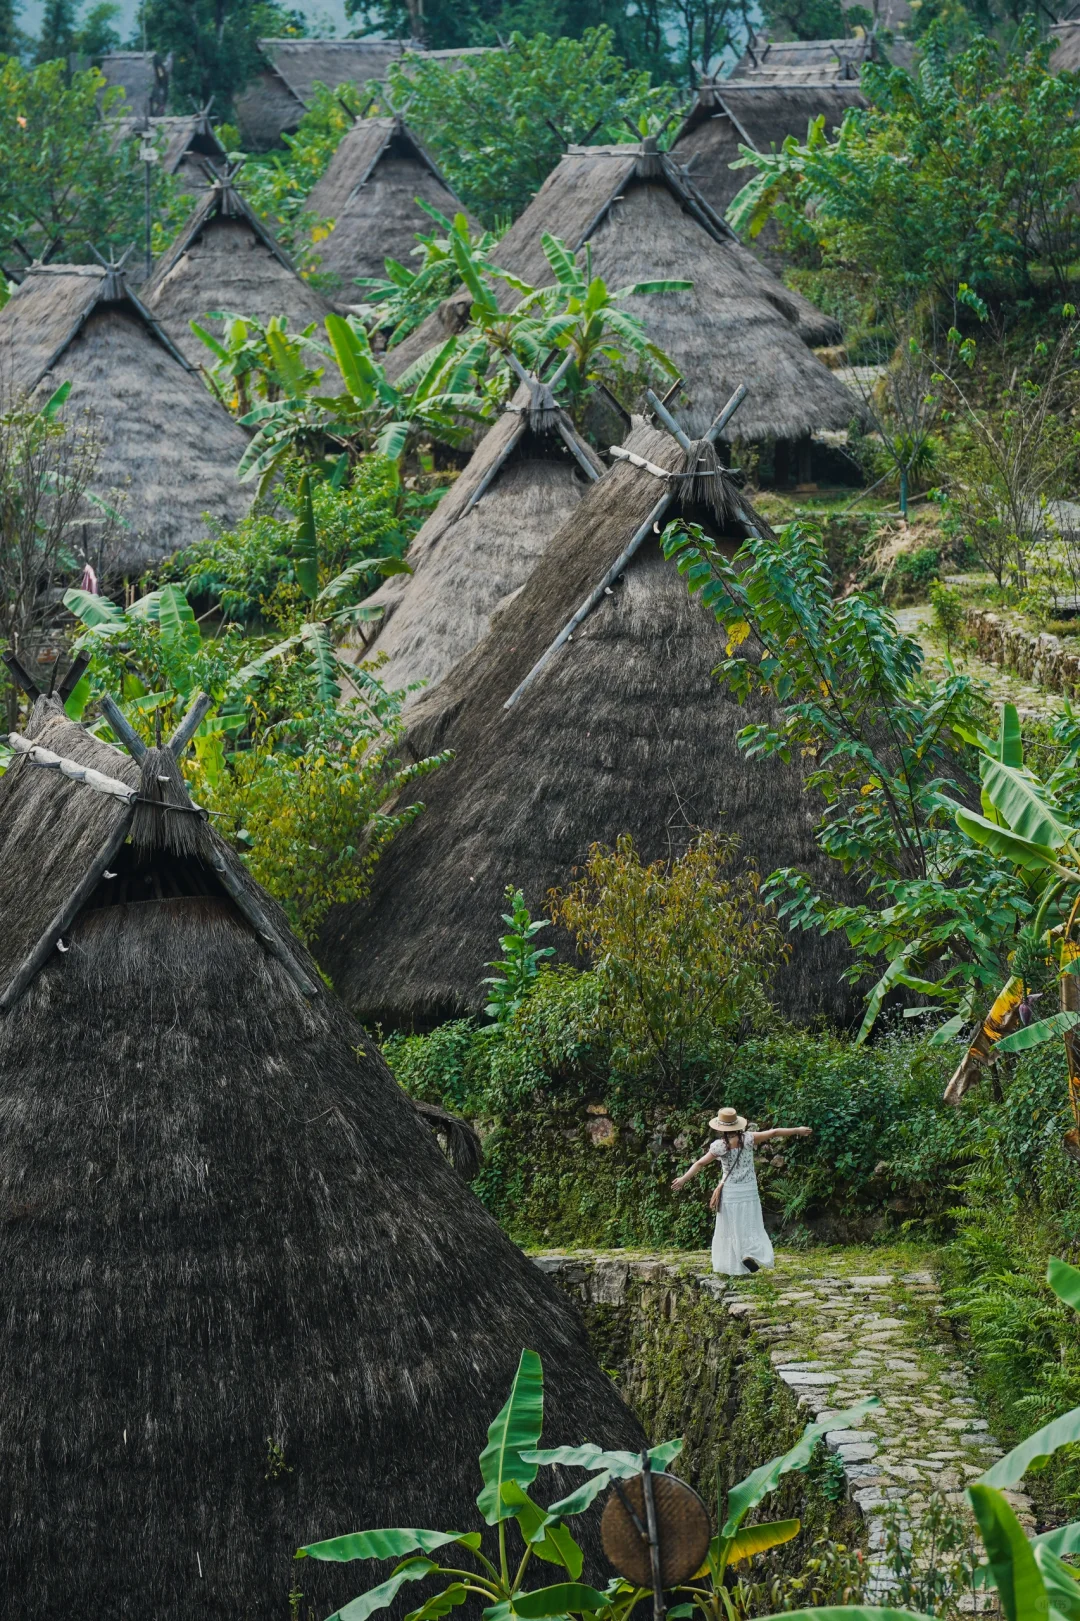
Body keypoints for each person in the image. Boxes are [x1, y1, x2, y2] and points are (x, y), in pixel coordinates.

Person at [671, 1106, 812, 1276]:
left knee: (732, 1227)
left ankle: (737, 1258)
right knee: (750, 1224)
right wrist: (798, 1130)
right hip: (749, 1190)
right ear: (738, 1125)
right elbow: (774, 1132)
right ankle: (748, 1252)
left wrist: (684, 1179)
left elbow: (700, 1163)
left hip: (730, 1191)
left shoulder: (719, 1147)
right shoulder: (748, 1139)